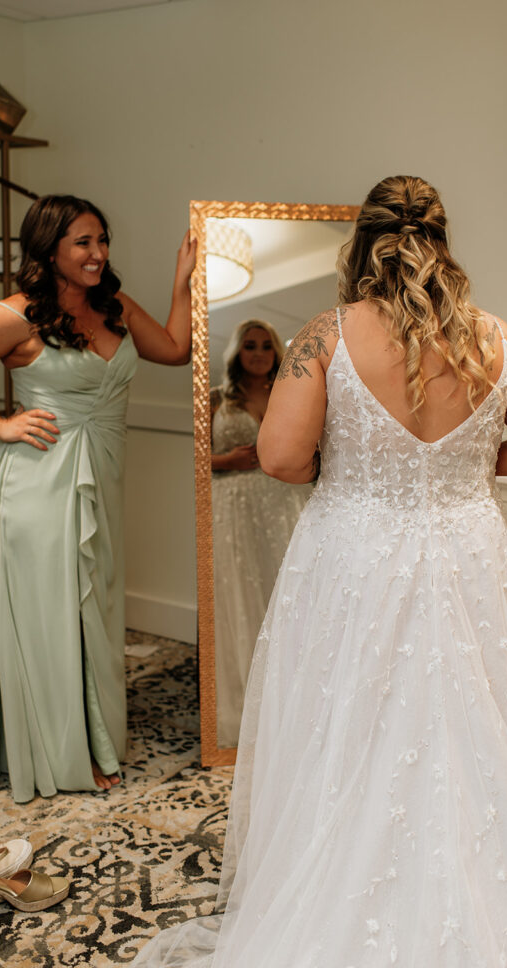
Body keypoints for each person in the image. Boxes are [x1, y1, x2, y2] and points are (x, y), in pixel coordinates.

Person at [131, 176, 507, 967]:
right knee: (477, 727)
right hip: (466, 551)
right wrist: (461, 471)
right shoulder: (496, 338)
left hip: (355, 553)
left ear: (360, 244)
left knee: (349, 723)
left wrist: (365, 469)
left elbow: (277, 458)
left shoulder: (325, 337)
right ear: (441, 242)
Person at [0, 194, 196, 804]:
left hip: (101, 476)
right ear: (49, 251)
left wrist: (182, 284)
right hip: (37, 485)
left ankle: (92, 734)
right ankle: (63, 748)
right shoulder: (14, 318)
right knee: (53, 614)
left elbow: (175, 350)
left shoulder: (115, 307)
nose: (99, 254)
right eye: (83, 243)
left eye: (103, 241)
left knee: (91, 611)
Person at [210, 320, 312, 748]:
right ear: (236, 352)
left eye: (265, 346)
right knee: (241, 596)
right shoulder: (217, 398)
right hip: (233, 507)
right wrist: (225, 461)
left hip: (283, 503)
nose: (257, 353)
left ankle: (295, 704)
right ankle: (245, 702)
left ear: (275, 353)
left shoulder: (292, 393)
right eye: (249, 345)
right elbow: (193, 457)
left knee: (287, 594)